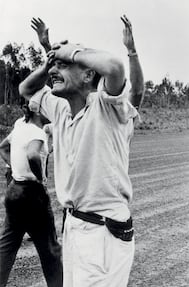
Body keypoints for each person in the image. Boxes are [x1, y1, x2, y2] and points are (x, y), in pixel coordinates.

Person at [21, 16, 144, 286]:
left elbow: (114, 68)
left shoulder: (106, 106)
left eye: (64, 66)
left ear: (88, 74)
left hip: (103, 230)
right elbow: (26, 89)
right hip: (75, 224)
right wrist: (49, 60)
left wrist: (68, 51)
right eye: (56, 66)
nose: (55, 71)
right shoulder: (60, 108)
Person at [0, 105, 63, 287]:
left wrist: (15, 167)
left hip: (14, 190)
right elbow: (33, 154)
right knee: (50, 250)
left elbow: (3, 147)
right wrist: (40, 177)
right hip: (32, 195)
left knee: (7, 246)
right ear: (37, 110)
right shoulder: (38, 132)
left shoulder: (20, 125)